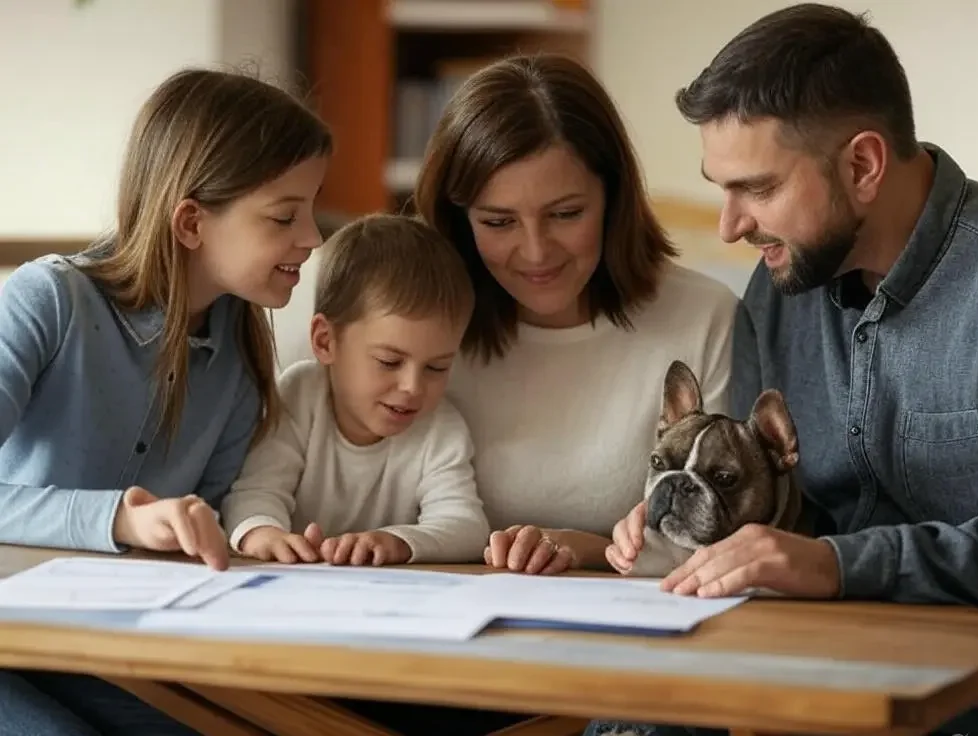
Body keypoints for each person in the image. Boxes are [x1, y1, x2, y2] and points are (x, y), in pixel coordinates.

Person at [595, 4, 978, 735]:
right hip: (797, 666)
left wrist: (838, 565)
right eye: (720, 187)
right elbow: (780, 502)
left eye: (755, 189)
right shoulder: (780, 288)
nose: (728, 225)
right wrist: (703, 534)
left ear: (862, 164)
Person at [333, 51, 738, 736]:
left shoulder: (702, 317)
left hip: (616, 674)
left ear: (612, 197)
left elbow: (728, 540)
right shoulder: (410, 325)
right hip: (414, 661)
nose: (535, 251)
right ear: (458, 217)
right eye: (497, 222)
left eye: (565, 213)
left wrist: (584, 547)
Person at [0, 68, 332, 736]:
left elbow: (207, 522)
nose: (313, 237)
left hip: (113, 651)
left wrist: (255, 537)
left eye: (311, 209)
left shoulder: (239, 353)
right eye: (284, 215)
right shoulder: (45, 302)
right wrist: (117, 521)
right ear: (190, 223)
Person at [220, 213, 490, 566]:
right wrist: (265, 534)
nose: (412, 387)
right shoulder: (299, 396)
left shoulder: (441, 428)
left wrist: (397, 541)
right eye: (390, 362)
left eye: (436, 367)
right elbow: (256, 492)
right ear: (325, 340)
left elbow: (467, 527)